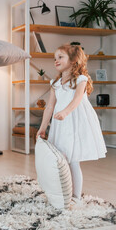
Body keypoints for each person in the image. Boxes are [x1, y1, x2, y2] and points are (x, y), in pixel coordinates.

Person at [36, 44, 107, 202]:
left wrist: (66, 112)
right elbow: (50, 107)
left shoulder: (80, 80)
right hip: (60, 125)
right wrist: (42, 128)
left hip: (75, 123)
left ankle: (76, 196)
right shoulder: (55, 83)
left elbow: (76, 100)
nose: (56, 60)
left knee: (73, 160)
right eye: (55, 58)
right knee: (60, 159)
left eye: (60, 57)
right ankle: (62, 192)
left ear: (74, 61)